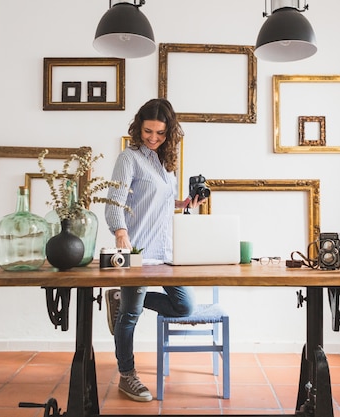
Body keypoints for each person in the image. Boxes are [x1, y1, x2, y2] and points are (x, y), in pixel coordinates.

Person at [104, 98, 205, 402]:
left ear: (168, 133)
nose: (153, 138)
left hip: (166, 251)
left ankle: (121, 299)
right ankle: (127, 375)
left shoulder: (166, 163)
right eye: (149, 131)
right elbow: (114, 201)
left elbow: (158, 201)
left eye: (160, 133)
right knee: (131, 317)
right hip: (138, 250)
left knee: (185, 306)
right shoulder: (129, 158)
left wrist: (183, 205)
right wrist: (121, 233)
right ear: (139, 127)